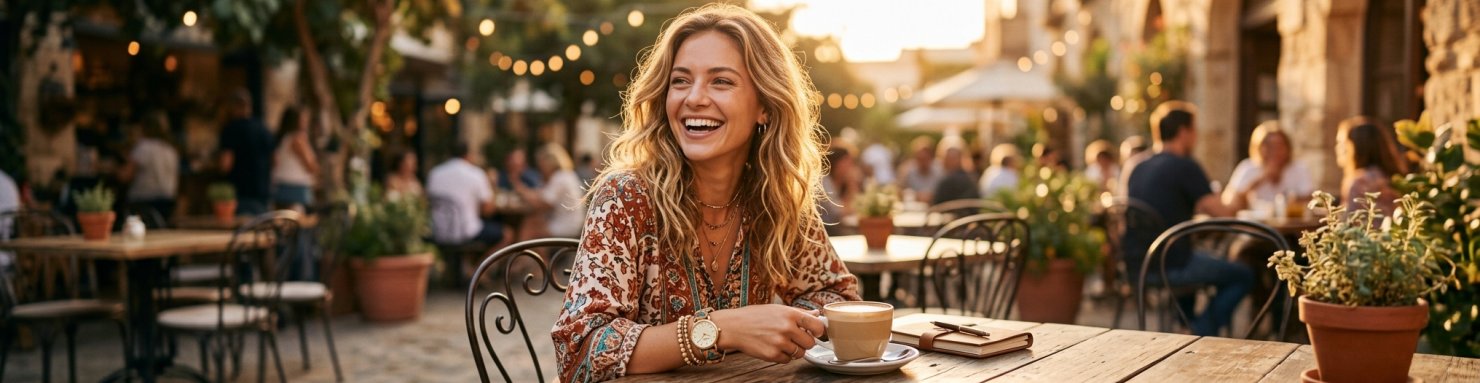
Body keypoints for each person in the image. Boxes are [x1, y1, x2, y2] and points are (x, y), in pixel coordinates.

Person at [551, 5, 860, 381]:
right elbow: (580, 350)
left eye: (721, 82)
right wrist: (723, 329)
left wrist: (788, 324)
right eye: (680, 81)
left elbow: (837, 295)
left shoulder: (773, 196)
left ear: (764, 106)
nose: (694, 98)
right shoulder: (626, 197)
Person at [1123, 100, 1251, 336]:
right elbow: (1223, 213)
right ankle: (1196, 331)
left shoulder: (1135, 166)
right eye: (1195, 131)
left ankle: (1184, 324)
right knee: (1243, 275)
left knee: (1190, 252)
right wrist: (1242, 194)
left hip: (1138, 264)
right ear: (1184, 132)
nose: (1197, 137)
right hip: (1171, 264)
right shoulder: (1185, 166)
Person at [1222, 121, 1315, 212]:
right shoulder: (1248, 168)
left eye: (1279, 146)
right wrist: (1260, 180)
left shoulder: (1298, 168)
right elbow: (1230, 205)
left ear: (1287, 148)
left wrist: (1293, 202)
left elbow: (1311, 201)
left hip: (1293, 225)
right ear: (1258, 147)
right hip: (1256, 224)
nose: (1275, 151)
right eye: (1269, 146)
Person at [426, 141, 502, 245]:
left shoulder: (434, 173)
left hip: (439, 232)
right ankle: (483, 262)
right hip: (466, 232)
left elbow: (427, 201)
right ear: (468, 155)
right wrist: (492, 186)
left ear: (448, 155)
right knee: (507, 234)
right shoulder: (476, 173)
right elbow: (487, 210)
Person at [217, 89, 273, 216]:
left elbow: (226, 164)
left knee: (242, 230)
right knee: (260, 227)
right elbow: (275, 160)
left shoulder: (231, 129)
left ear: (233, 107)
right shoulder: (262, 128)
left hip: (239, 191)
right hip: (261, 189)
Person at [511, 143, 585, 238]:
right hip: (573, 222)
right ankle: (531, 252)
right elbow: (543, 195)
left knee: (530, 226)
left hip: (566, 225)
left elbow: (543, 204)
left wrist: (522, 191)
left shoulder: (560, 177)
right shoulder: (566, 174)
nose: (540, 169)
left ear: (548, 163)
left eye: (541, 164)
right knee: (533, 221)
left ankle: (524, 252)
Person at [1335, 116, 1406, 214]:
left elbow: (1348, 224)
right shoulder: (1393, 178)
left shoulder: (1359, 182)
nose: (1338, 148)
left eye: (1342, 143)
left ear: (1354, 147)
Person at [120, 112, 179, 218]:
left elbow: (125, 176)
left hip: (144, 203)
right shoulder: (170, 150)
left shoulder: (143, 147)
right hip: (168, 203)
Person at [270, 106, 319, 212]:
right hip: (296, 189)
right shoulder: (298, 139)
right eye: (303, 119)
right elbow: (311, 166)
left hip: (281, 187)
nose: (306, 122)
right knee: (298, 225)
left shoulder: (282, 138)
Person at [819, 144, 859, 227]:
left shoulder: (841, 182)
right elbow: (837, 212)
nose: (851, 167)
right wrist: (852, 185)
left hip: (837, 226)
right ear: (837, 163)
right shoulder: (824, 182)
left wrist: (851, 185)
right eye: (847, 163)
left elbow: (854, 205)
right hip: (827, 228)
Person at [896, 136, 942, 202]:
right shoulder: (906, 171)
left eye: (925, 158)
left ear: (932, 157)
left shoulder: (940, 171)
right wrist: (915, 195)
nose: (923, 162)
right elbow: (899, 191)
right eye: (920, 159)